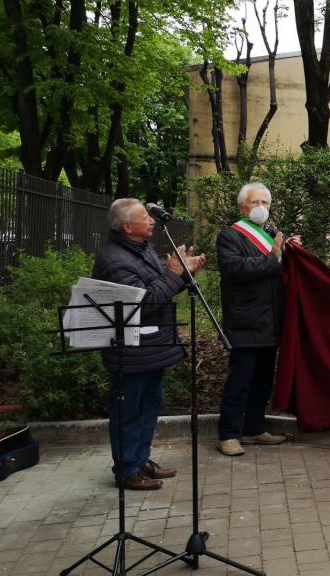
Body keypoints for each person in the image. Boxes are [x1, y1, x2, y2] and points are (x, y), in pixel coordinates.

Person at [93, 198, 206, 490]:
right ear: (128, 226)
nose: (152, 220)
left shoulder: (142, 249)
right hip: (130, 350)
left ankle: (140, 459)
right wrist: (171, 273)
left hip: (151, 346)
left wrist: (184, 274)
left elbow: (160, 289)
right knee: (128, 411)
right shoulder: (115, 259)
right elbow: (143, 304)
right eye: (145, 217)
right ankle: (127, 468)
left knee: (149, 406)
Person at [215, 182, 300, 457]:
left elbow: (281, 265)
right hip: (245, 320)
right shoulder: (230, 236)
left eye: (265, 203)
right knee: (240, 379)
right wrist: (274, 258)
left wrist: (291, 250)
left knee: (263, 379)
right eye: (255, 203)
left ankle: (253, 428)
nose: (261, 208)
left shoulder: (270, 234)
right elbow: (235, 268)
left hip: (271, 320)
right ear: (242, 207)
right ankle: (228, 434)